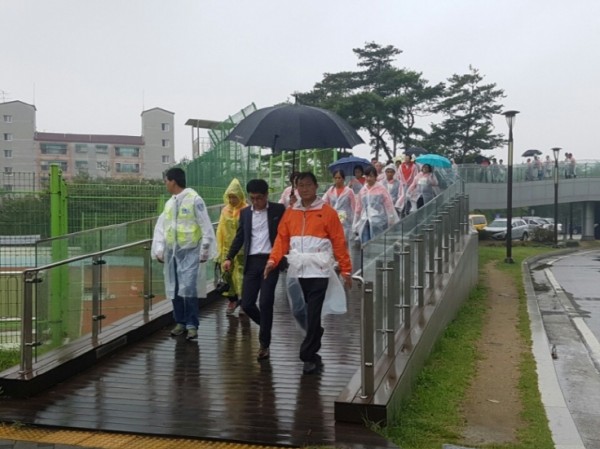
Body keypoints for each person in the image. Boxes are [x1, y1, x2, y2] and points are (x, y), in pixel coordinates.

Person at [264, 172, 352, 375]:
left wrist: (346, 269)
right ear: (296, 188)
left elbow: (339, 241)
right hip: (297, 270)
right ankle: (315, 334)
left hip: (319, 270)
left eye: (308, 185)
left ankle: (308, 355)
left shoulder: (327, 212)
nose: (304, 189)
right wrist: (273, 260)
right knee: (298, 311)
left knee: (313, 312)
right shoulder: (290, 213)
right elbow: (281, 239)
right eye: (300, 185)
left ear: (315, 186)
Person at [223, 179, 286, 361]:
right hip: (251, 262)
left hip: (270, 261)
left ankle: (264, 344)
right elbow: (240, 237)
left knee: (265, 302)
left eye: (259, 198)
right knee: (247, 303)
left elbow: (285, 232)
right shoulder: (245, 213)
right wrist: (229, 257)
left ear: (266, 195)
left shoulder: (278, 210)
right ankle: (266, 327)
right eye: (252, 198)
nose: (256, 202)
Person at [151, 167, 216, 341]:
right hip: (173, 253)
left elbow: (205, 225)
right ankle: (180, 321)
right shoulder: (170, 203)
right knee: (174, 287)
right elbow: (162, 227)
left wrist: (204, 250)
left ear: (173, 181)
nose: (165, 184)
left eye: (166, 181)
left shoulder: (194, 200)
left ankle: (192, 324)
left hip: (191, 251)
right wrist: (159, 249)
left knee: (188, 288)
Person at [215, 178, 248, 315]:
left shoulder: (246, 210)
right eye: (230, 197)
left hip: (242, 250)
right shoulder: (225, 211)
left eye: (234, 197)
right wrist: (219, 249)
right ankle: (232, 300)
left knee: (242, 277)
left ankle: (245, 302)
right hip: (227, 249)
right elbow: (220, 230)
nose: (232, 200)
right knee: (227, 276)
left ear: (240, 196)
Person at [353, 165, 399, 243]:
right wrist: (355, 222)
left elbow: (388, 205)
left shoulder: (381, 189)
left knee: (377, 243)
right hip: (365, 220)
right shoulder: (363, 190)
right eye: (367, 176)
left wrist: (391, 218)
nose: (369, 178)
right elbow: (358, 207)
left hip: (378, 221)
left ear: (375, 177)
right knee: (365, 243)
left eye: (371, 176)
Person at [322, 169, 356, 247]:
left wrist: (354, 221)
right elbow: (324, 202)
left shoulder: (349, 191)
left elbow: (354, 206)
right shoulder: (330, 191)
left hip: (346, 220)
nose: (337, 180)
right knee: (334, 241)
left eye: (339, 178)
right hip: (333, 218)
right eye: (335, 178)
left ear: (343, 179)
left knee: (344, 242)